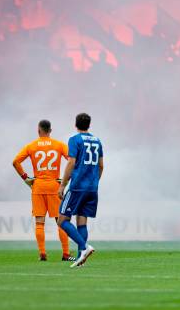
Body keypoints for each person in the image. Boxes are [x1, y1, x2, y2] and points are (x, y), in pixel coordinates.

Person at [13, 119, 74, 261]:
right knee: (61, 221)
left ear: (38, 130)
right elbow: (73, 161)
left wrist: (26, 178)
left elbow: (15, 162)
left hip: (38, 186)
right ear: (50, 131)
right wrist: (65, 180)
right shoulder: (59, 145)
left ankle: (42, 253)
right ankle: (65, 253)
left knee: (39, 222)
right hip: (54, 186)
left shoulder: (31, 146)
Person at [58, 113, 103, 268]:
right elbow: (101, 165)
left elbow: (71, 162)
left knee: (62, 220)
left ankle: (84, 247)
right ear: (89, 125)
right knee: (81, 222)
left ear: (75, 124)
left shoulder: (75, 140)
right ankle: (80, 260)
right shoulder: (97, 141)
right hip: (92, 188)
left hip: (77, 187)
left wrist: (63, 184)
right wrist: (94, 182)